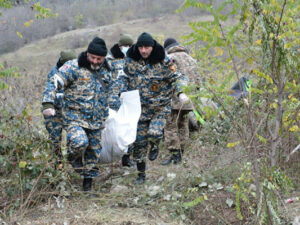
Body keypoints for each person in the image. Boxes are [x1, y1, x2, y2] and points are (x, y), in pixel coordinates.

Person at [42, 37, 113, 191]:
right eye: (92, 57)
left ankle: (87, 186)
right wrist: (47, 103)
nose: (95, 61)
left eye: (98, 59)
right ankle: (73, 156)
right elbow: (54, 82)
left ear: (104, 58)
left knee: (94, 153)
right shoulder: (73, 67)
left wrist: (104, 118)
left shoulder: (107, 71)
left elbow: (104, 97)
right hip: (74, 118)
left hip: (95, 120)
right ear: (87, 54)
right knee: (80, 142)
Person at [119, 32, 187, 184]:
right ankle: (141, 175)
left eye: (147, 48)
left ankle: (155, 144)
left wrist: (181, 92)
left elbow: (179, 77)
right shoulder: (131, 60)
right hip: (139, 109)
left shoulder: (164, 60)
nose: (143, 51)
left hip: (160, 107)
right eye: (141, 47)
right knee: (139, 144)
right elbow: (123, 77)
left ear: (152, 47)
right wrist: (122, 91)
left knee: (155, 133)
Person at [162, 38, 199, 165]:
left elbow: (166, 78)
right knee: (183, 125)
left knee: (171, 125)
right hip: (189, 99)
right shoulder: (192, 60)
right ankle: (182, 152)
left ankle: (174, 155)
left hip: (174, 98)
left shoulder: (170, 58)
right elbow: (199, 81)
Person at [107, 33, 135, 168]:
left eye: (130, 46)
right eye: (125, 46)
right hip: (111, 101)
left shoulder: (132, 60)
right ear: (119, 46)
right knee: (112, 130)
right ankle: (108, 156)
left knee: (128, 128)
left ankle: (127, 158)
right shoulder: (108, 60)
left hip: (127, 101)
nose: (127, 48)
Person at [43, 50, 76, 162]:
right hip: (54, 113)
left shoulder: (77, 71)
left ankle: (73, 160)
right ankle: (58, 164)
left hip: (70, 112)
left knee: (74, 138)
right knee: (55, 140)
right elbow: (49, 93)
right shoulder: (54, 74)